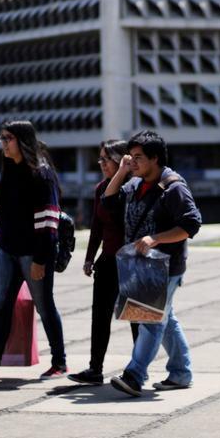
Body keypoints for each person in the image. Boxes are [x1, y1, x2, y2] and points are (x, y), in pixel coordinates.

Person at [0, 121, 67, 384]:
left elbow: (49, 221)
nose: (3, 143)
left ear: (22, 140)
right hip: (8, 249)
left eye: (8, 138)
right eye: (1, 138)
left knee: (44, 305)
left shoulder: (41, 174)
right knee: (1, 305)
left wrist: (41, 259)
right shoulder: (9, 169)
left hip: (33, 252)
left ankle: (59, 363)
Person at [104, 131, 203, 397]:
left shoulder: (173, 187)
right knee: (165, 319)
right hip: (141, 267)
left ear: (155, 158)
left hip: (165, 266)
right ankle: (181, 372)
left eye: (138, 158)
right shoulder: (135, 184)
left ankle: (135, 375)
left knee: (151, 320)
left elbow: (191, 224)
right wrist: (122, 171)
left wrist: (155, 238)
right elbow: (109, 201)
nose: (133, 162)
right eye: (131, 157)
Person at [68, 140, 139, 386]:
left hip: (131, 262)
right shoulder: (100, 189)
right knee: (100, 317)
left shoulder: (133, 187)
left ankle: (137, 371)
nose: (101, 164)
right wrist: (89, 257)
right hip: (107, 260)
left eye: (105, 159)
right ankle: (94, 369)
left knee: (136, 318)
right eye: (99, 159)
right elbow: (97, 227)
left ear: (122, 160)